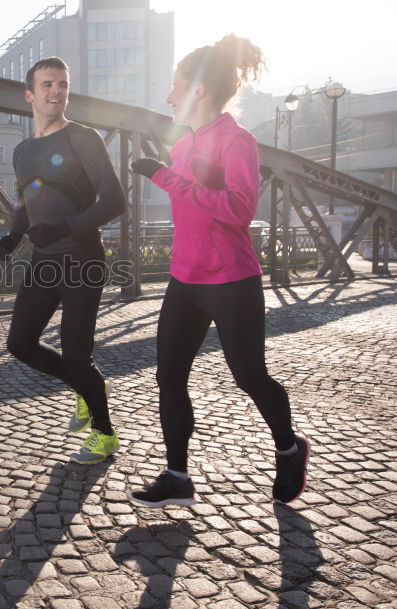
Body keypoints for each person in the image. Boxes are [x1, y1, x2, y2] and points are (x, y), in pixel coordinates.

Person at [127, 34, 309, 506]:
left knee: (249, 375)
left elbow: (239, 210)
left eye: (176, 87)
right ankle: (177, 477)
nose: (169, 97)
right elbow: (192, 207)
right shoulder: (183, 145)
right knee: (169, 377)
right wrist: (172, 172)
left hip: (231, 280)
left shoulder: (238, 141)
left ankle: (289, 449)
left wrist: (166, 177)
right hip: (184, 279)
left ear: (199, 91)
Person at [0, 57, 125, 464]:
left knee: (74, 353)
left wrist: (66, 228)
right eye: (47, 84)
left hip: (82, 259)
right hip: (44, 261)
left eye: (63, 85)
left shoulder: (83, 138)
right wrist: (16, 233)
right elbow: (27, 197)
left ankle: (104, 434)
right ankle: (89, 387)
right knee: (19, 343)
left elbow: (115, 201)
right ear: (30, 94)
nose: (57, 91)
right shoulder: (22, 150)